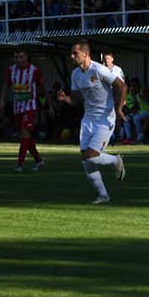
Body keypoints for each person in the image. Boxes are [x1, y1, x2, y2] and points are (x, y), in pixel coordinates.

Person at [57, 41, 127, 204]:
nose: (72, 56)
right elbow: (76, 100)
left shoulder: (99, 69)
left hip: (105, 118)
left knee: (91, 156)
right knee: (86, 161)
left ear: (86, 54)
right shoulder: (75, 74)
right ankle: (103, 195)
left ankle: (116, 160)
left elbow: (122, 86)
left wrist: (118, 109)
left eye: (75, 53)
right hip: (88, 119)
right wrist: (65, 98)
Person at [0, 49, 45, 172]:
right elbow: (6, 85)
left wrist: (48, 105)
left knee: (24, 133)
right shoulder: (11, 70)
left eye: (21, 57)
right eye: (16, 57)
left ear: (26, 57)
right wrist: (2, 100)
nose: (18, 59)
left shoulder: (34, 70)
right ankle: (39, 160)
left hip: (30, 107)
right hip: (17, 108)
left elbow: (42, 88)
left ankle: (20, 164)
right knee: (26, 137)